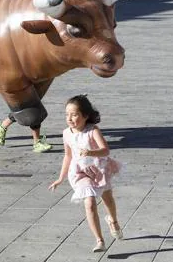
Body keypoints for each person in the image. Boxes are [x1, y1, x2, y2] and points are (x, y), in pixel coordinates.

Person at [48, 95, 123, 252]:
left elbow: (106, 150)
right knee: (89, 203)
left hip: (99, 169)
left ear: (85, 116)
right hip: (79, 172)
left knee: (108, 199)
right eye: (67, 114)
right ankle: (100, 240)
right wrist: (60, 178)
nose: (70, 118)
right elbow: (68, 155)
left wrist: (90, 152)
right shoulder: (66, 133)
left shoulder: (92, 130)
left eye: (74, 114)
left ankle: (113, 221)